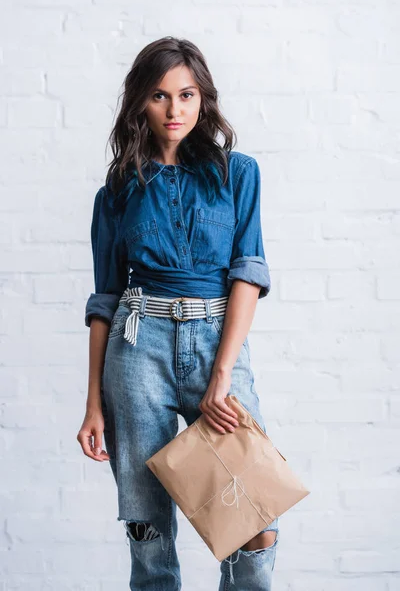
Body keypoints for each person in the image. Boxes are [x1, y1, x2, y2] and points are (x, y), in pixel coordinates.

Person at [77, 36, 279, 591]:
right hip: (137, 345)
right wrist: (93, 403)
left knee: (254, 513)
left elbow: (248, 272)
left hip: (217, 339)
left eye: (186, 95)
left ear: (202, 98)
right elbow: (104, 301)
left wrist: (221, 376)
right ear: (140, 103)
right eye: (160, 96)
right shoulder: (117, 191)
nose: (174, 110)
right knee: (146, 522)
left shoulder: (237, 173)